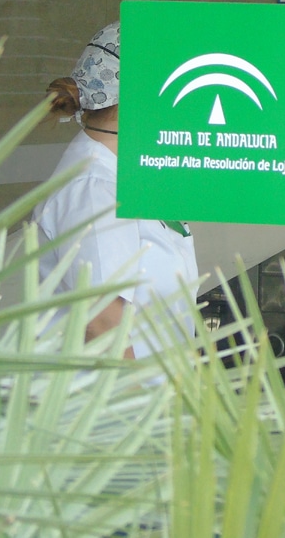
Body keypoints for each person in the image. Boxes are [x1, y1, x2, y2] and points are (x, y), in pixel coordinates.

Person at [35, 21, 200, 359]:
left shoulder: (130, 175)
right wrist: (142, 409)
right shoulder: (92, 188)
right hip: (118, 407)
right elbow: (104, 326)